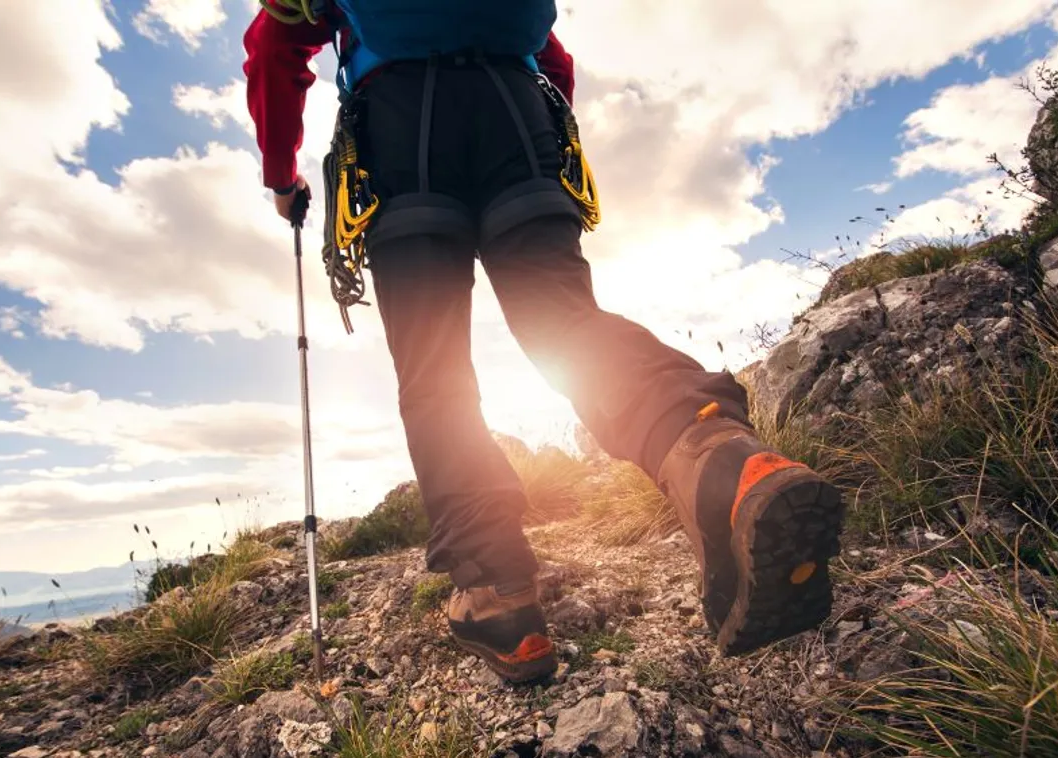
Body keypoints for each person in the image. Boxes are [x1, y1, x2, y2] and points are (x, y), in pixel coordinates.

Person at [242, 0, 845, 684]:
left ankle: (496, 592)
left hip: (398, 124)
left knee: (433, 369)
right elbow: (552, 62)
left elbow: (275, 45)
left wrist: (279, 177)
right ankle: (717, 456)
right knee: (562, 320)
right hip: (517, 112)